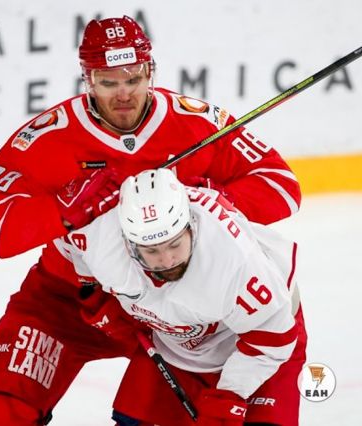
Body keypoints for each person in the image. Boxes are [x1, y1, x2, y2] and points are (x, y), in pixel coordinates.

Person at [0, 15, 301, 424]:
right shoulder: (47, 138)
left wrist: (205, 200)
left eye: (134, 79)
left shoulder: (196, 123)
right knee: (1, 410)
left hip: (177, 310)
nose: (123, 93)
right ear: (88, 80)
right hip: (69, 299)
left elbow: (282, 186)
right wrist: (63, 211)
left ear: (150, 71)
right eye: (108, 82)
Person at [55, 168, 306, 425]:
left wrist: (227, 398)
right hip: (176, 346)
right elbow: (70, 244)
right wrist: (95, 293)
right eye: (151, 251)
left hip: (259, 348)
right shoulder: (102, 239)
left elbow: (273, 338)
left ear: (191, 226)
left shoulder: (231, 260)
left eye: (174, 244)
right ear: (128, 243)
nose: (166, 261)